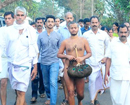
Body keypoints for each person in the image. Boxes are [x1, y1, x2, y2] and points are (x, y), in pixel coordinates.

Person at [4, 6, 38, 105]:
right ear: (14, 16)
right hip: (12, 64)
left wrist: (35, 67)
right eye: (18, 15)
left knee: (21, 92)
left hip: (25, 65)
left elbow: (34, 49)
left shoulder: (30, 30)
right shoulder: (9, 31)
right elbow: (4, 48)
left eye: (22, 15)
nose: (20, 17)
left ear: (25, 16)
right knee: (16, 91)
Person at [57, 21, 91, 105]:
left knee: (80, 94)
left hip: (80, 68)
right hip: (68, 68)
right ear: (68, 29)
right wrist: (67, 56)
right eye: (71, 28)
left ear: (78, 28)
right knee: (70, 92)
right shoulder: (65, 42)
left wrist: (82, 58)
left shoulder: (83, 40)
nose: (73, 29)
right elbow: (59, 54)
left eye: (75, 28)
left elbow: (89, 53)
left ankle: (79, 101)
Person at [83, 16, 110, 105]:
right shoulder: (86, 35)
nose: (94, 24)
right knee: (91, 80)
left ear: (98, 23)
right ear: (90, 23)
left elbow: (108, 47)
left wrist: (106, 57)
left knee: (98, 82)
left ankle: (95, 98)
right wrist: (83, 60)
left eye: (96, 22)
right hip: (90, 62)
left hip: (100, 63)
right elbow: (82, 48)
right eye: (92, 22)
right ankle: (92, 100)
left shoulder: (103, 34)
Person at [58, 12, 82, 105]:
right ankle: (66, 98)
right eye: (67, 18)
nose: (69, 19)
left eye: (71, 18)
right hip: (64, 60)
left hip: (76, 60)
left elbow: (81, 45)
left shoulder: (77, 29)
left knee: (77, 83)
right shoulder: (60, 30)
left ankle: (77, 98)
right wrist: (64, 60)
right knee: (64, 80)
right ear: (64, 18)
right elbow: (59, 47)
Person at [37, 15, 62, 105]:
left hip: (54, 62)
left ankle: (53, 102)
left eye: (52, 21)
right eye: (49, 21)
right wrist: (35, 64)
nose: (50, 23)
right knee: (46, 83)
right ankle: (49, 96)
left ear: (54, 23)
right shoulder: (40, 36)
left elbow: (61, 50)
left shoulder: (58, 35)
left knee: (53, 82)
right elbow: (38, 51)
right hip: (43, 62)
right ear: (45, 23)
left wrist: (63, 64)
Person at [105, 25, 130, 105]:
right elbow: (108, 59)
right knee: (115, 99)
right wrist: (106, 74)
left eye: (125, 32)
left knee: (126, 100)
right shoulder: (113, 43)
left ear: (128, 33)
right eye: (121, 32)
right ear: (118, 32)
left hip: (127, 76)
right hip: (115, 75)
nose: (123, 34)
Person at [0, 11, 14, 105]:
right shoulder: (1, 30)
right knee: (3, 82)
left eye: (9, 18)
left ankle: (19, 102)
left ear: (14, 19)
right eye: (6, 19)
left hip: (15, 59)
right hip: (3, 59)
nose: (7, 20)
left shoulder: (18, 29)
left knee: (17, 85)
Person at [30, 17, 46, 104]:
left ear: (43, 23)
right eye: (38, 22)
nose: (39, 24)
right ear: (35, 23)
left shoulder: (46, 32)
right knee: (34, 77)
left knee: (42, 76)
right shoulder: (32, 32)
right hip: (33, 59)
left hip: (43, 58)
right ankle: (34, 95)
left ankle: (42, 91)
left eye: (41, 22)